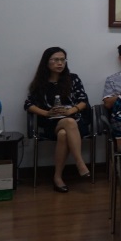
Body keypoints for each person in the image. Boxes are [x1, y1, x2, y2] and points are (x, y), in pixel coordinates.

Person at [24, 46, 92, 191]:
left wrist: (70, 111)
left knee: (64, 133)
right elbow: (28, 105)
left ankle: (57, 177)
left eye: (62, 60)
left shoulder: (73, 78)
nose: (60, 63)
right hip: (51, 123)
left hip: (75, 121)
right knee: (66, 125)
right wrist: (47, 113)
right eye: (55, 60)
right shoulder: (40, 83)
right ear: (46, 62)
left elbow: (83, 101)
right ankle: (80, 162)